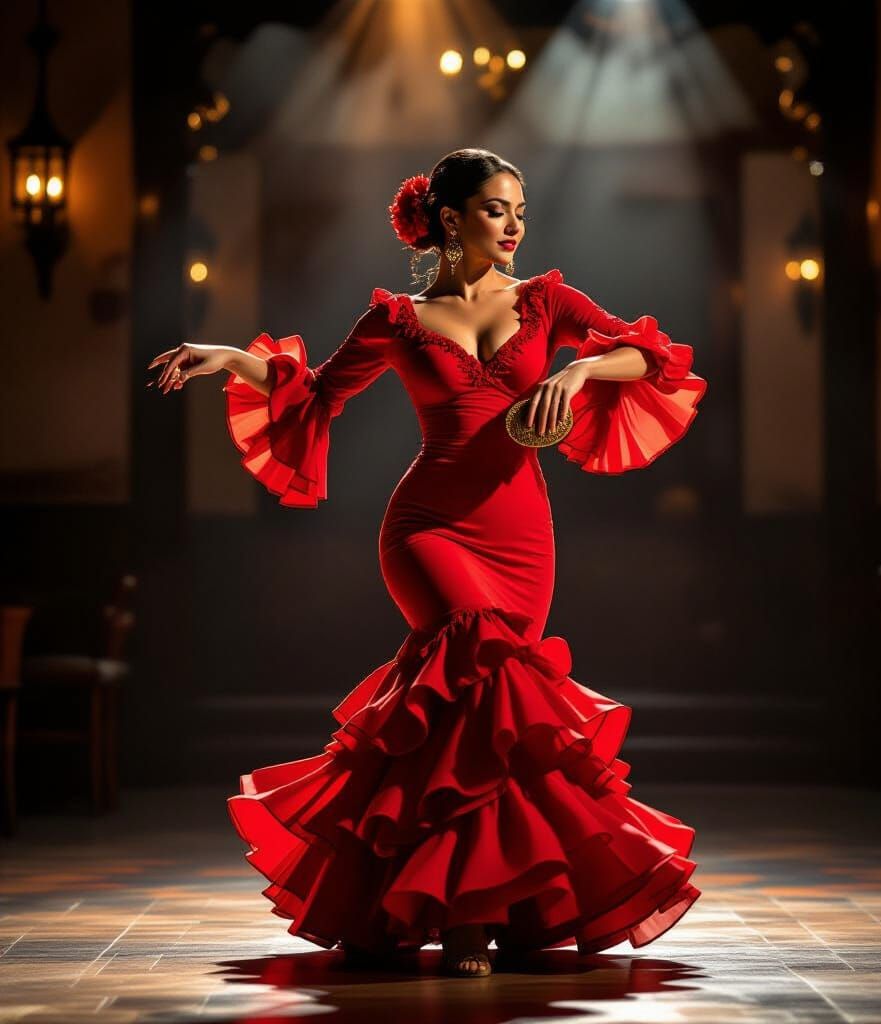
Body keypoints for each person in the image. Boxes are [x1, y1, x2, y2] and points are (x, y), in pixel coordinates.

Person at [147, 148, 708, 978]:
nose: (515, 225)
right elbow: (316, 395)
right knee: (471, 655)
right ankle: (467, 919)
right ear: (450, 220)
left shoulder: (549, 301)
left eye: (520, 210)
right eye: (495, 210)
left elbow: (653, 357)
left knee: (488, 720)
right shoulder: (396, 319)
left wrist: (583, 365)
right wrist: (232, 357)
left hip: (522, 535)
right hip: (427, 528)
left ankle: (503, 903)